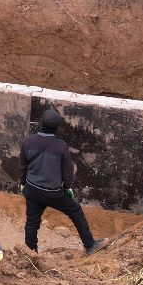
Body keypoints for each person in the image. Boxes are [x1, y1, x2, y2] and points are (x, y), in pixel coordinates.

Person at [18, 107, 107, 256]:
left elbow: (22, 166)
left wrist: (23, 184)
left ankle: (30, 254)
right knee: (75, 210)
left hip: (32, 189)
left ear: (41, 123)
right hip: (52, 192)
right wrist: (67, 187)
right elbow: (68, 173)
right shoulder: (61, 146)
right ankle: (90, 245)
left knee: (32, 222)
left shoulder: (28, 141)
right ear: (57, 127)